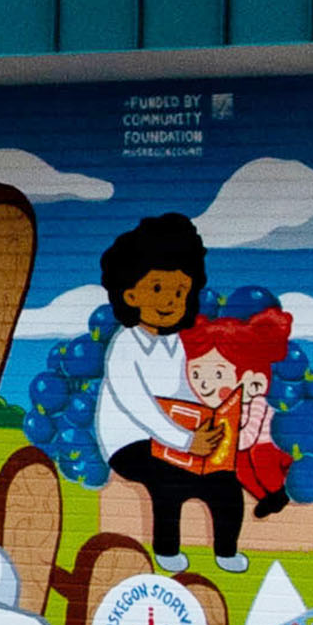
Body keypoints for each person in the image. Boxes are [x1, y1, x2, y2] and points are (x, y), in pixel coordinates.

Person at [90, 212, 244, 559]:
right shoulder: (125, 345)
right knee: (169, 480)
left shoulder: (173, 343)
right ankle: (167, 551)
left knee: (224, 482)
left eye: (180, 291)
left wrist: (212, 425)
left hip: (173, 435)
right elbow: (139, 406)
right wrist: (188, 441)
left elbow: (182, 393)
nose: (169, 301)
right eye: (158, 288)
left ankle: (227, 553)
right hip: (131, 442)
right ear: (130, 295)